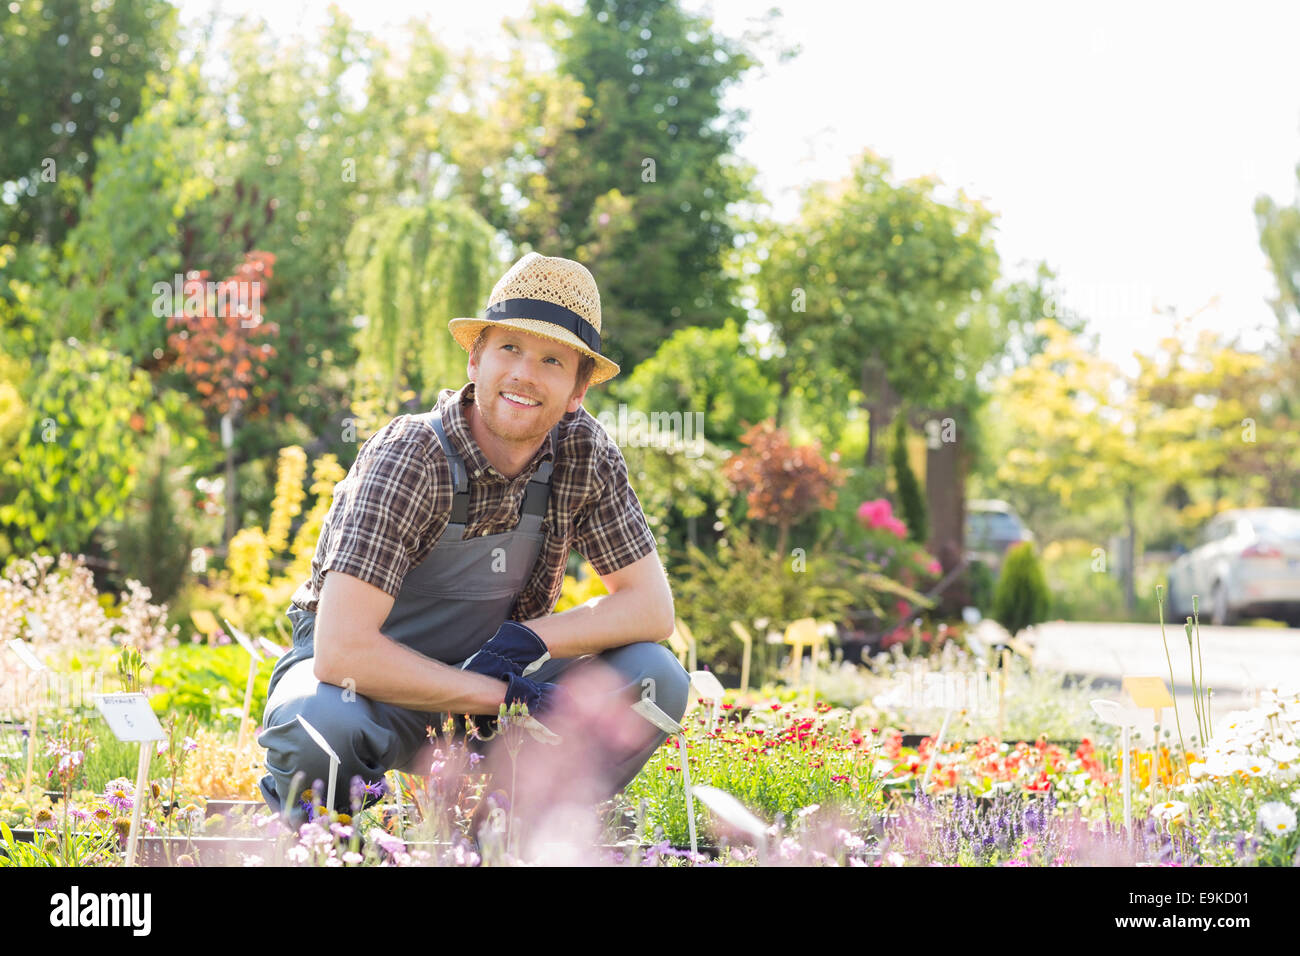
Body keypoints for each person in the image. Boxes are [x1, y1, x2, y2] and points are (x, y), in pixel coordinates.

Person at [257, 252, 690, 827]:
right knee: (319, 729)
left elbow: (651, 608)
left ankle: (504, 836)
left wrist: (525, 641)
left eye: (552, 360)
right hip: (368, 696)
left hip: (495, 690)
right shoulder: (411, 456)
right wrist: (504, 699)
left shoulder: (583, 452)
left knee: (655, 681)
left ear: (577, 390)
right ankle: (334, 851)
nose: (524, 374)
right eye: (509, 348)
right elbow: (343, 653)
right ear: (475, 357)